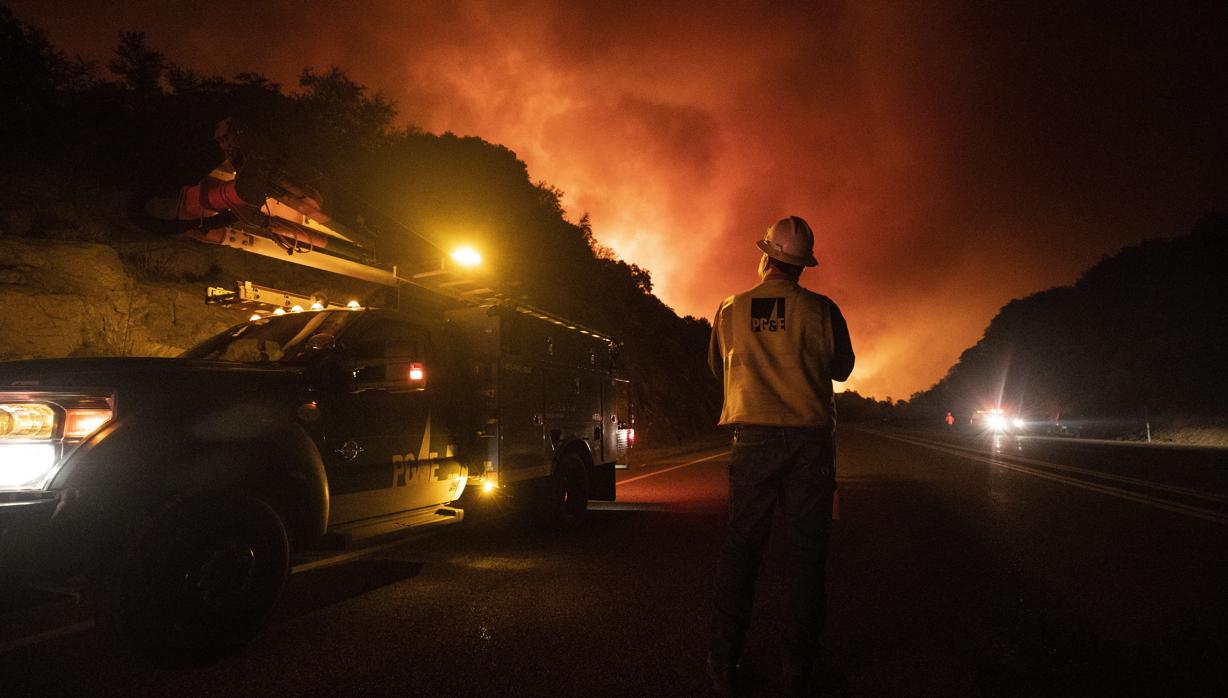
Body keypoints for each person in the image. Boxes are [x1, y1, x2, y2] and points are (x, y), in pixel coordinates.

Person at [706, 215, 854, 696]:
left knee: (742, 550)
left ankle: (725, 662)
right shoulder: (822, 309)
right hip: (809, 442)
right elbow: (842, 369)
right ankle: (797, 666)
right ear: (801, 267)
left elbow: (718, 367)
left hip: (752, 439)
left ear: (765, 255)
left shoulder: (730, 308)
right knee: (807, 557)